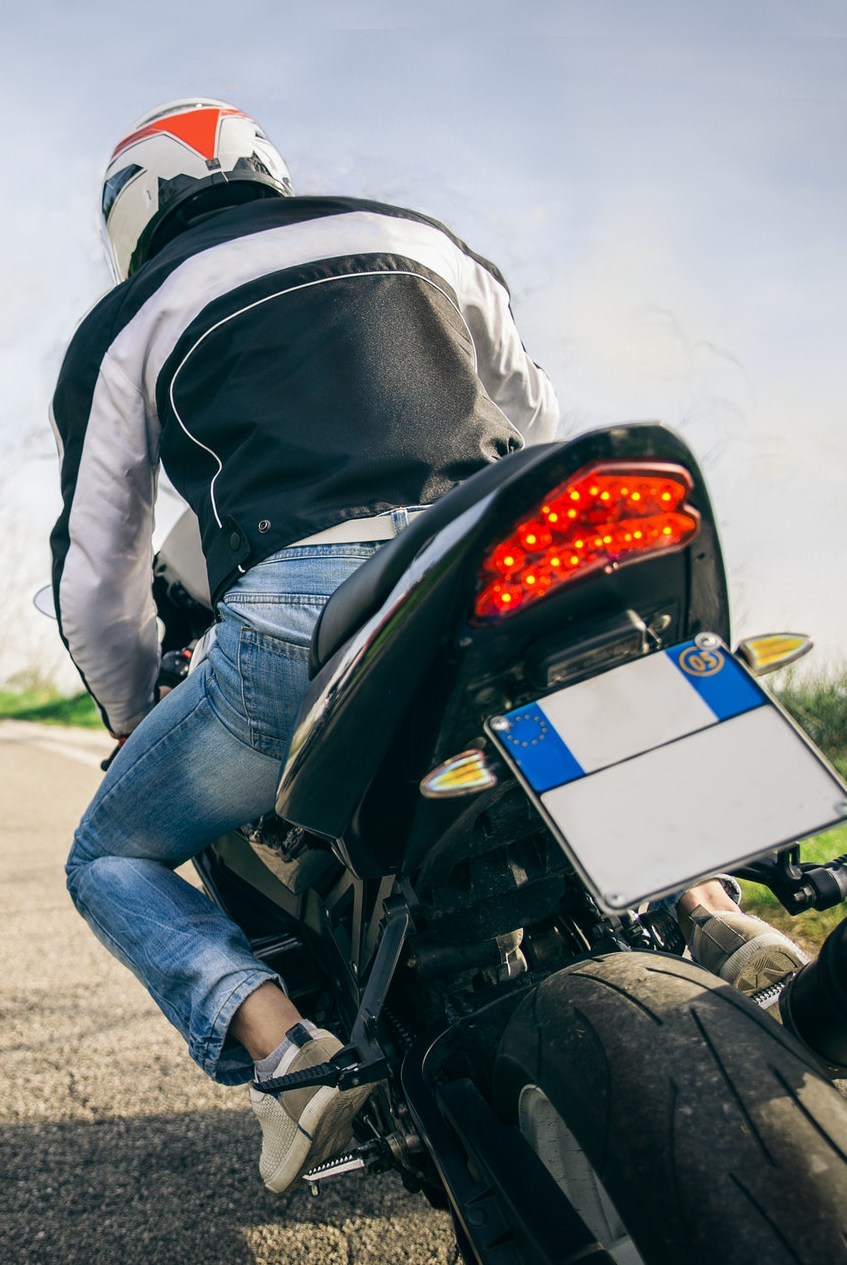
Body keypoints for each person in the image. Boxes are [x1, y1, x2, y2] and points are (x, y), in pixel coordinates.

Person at [51, 100, 807, 1194]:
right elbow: (529, 410)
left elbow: (95, 573)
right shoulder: (416, 236)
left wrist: (128, 719)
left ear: (127, 215)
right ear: (265, 170)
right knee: (595, 698)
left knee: (106, 858)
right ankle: (708, 912)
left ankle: (289, 1057)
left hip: (303, 613)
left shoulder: (130, 319)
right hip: (496, 546)